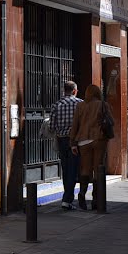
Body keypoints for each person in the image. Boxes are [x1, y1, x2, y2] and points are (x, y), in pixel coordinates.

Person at [70, 84, 106, 211]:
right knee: (98, 169)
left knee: (85, 168)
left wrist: (73, 143)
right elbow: (110, 121)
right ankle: (96, 200)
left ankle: (81, 194)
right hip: (98, 139)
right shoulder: (102, 104)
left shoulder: (80, 105)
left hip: (83, 140)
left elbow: (75, 125)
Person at [49, 80, 82, 210]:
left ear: (65, 90)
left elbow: (51, 127)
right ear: (74, 91)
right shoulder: (80, 104)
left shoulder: (56, 104)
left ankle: (67, 198)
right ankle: (67, 199)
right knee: (73, 170)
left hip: (62, 140)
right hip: (75, 141)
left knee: (66, 169)